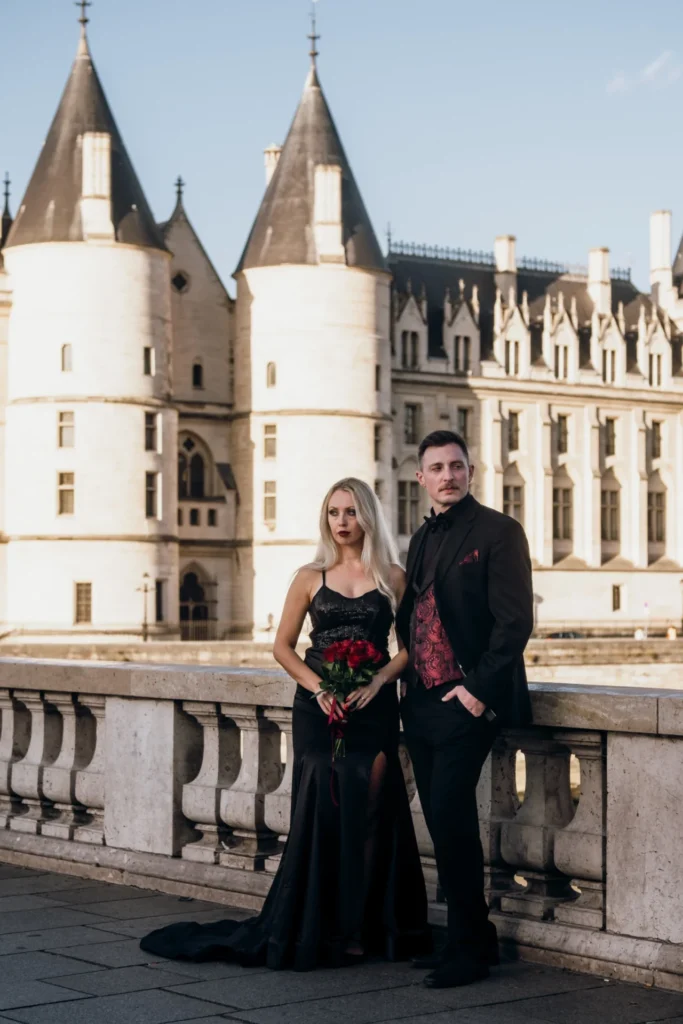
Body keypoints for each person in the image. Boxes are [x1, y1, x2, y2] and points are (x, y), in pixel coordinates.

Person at [140, 477, 430, 971]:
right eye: (334, 512)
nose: (342, 522)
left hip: (373, 706)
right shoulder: (308, 576)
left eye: (352, 512)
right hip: (319, 708)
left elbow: (411, 648)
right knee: (323, 813)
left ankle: (363, 927)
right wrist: (319, 689)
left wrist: (380, 679)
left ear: (368, 517)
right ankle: (322, 925)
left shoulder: (393, 578)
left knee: (374, 816)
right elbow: (282, 646)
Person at [396, 430, 533, 989]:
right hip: (422, 702)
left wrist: (477, 690)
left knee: (452, 819)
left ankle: (467, 949)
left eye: (457, 466)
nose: (448, 476)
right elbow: (415, 617)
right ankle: (476, 939)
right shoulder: (421, 537)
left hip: (467, 702)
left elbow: (515, 622)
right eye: (437, 468)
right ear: (421, 477)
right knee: (440, 821)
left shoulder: (499, 531)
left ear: (471, 472)